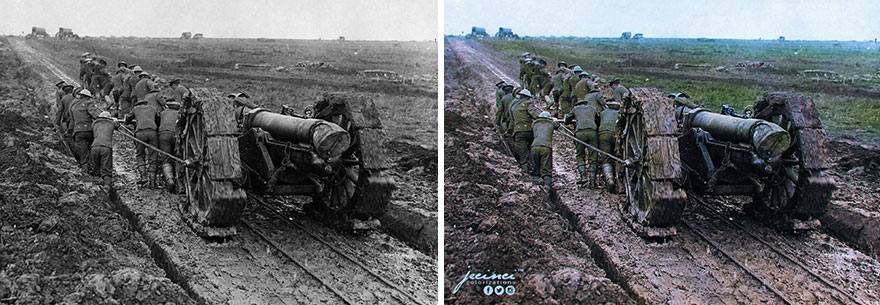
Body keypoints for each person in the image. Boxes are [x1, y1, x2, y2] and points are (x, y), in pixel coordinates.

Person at [565, 88, 605, 187]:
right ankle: (592, 180)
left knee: (580, 155)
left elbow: (567, 121)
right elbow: (598, 120)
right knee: (593, 155)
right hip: (592, 132)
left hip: (580, 133)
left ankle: (583, 177)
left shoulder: (575, 109)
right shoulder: (592, 108)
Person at [126, 100, 160, 188]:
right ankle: (152, 181)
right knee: (153, 155)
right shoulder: (153, 108)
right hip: (152, 132)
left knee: (140, 155)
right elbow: (158, 120)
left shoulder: (135, 109)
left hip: (140, 133)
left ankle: (143, 177)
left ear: (138, 105)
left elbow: (127, 121)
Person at [508, 89, 541, 176]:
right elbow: (535, 115)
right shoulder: (528, 103)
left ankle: (525, 170)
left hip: (518, 131)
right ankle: (535, 170)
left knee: (522, 151)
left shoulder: (514, 106)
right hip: (529, 130)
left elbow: (512, 121)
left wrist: (510, 131)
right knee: (532, 149)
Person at [68, 89, 100, 172]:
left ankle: (85, 168)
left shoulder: (74, 106)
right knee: (93, 148)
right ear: (87, 97)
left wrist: (69, 131)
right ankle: (95, 167)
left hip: (78, 131)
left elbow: (72, 120)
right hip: (89, 130)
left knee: (82, 151)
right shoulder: (88, 103)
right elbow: (95, 115)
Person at [531, 111, 559, 188]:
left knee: (535, 167)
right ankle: (547, 186)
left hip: (534, 147)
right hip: (546, 147)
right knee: (546, 168)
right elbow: (557, 125)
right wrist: (555, 120)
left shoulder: (534, 123)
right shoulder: (551, 123)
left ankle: (536, 183)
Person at [90, 111, 119, 187]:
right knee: (106, 170)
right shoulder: (111, 123)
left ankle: (96, 187)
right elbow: (117, 125)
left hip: (94, 147)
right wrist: (115, 120)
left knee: (96, 169)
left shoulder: (94, 123)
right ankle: (107, 187)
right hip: (106, 147)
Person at [158, 101, 181, 192]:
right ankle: (179, 181)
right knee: (178, 157)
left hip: (164, 135)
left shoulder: (163, 113)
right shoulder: (179, 114)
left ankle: (170, 180)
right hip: (176, 136)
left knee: (166, 159)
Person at [598, 102, 620, 192]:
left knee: (606, 158)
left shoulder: (603, 113)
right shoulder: (619, 113)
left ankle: (609, 179)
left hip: (603, 135)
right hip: (616, 135)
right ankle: (619, 179)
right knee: (617, 156)